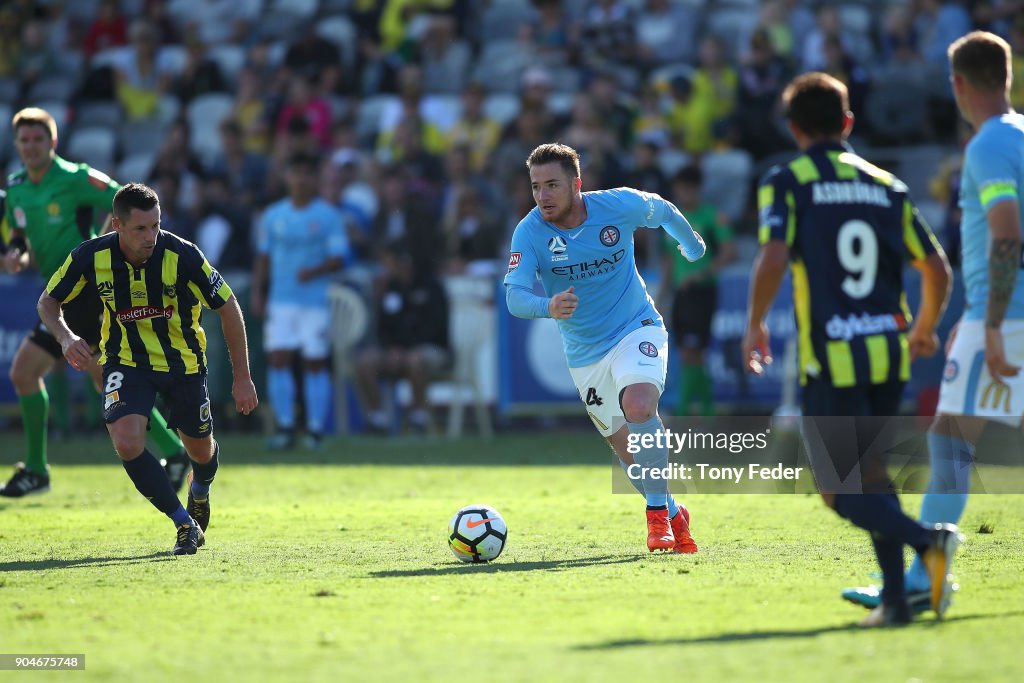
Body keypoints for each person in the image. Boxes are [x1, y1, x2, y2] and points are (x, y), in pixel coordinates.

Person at [741, 72, 961, 626]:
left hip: (832, 358)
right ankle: (894, 603)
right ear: (848, 123)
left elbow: (772, 257)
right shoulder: (887, 185)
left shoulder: (787, 180)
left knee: (838, 491)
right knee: (873, 477)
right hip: (888, 353)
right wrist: (926, 327)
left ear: (793, 130)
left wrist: (755, 324)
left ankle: (928, 541)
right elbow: (935, 266)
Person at [849, 30, 1024, 614]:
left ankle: (926, 574)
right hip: (997, 313)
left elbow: (1005, 235)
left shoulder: (987, 146)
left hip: (1007, 316)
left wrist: (992, 323)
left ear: (957, 84)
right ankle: (928, 569)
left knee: (949, 440)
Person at [504, 142, 703, 554]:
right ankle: (671, 511)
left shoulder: (617, 206)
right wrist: (547, 305)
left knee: (640, 405)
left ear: (577, 184)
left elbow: (663, 211)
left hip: (636, 327)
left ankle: (655, 522)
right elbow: (514, 297)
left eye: (553, 185)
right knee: (629, 454)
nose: (543, 196)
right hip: (585, 354)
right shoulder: (529, 232)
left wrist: (691, 244)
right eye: (536, 187)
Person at [38, 183, 258, 555]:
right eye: (140, 228)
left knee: (201, 453)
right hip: (126, 360)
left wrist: (242, 377)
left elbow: (228, 306)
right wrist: (64, 338)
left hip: (183, 363)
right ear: (117, 225)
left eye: (155, 225)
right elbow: (48, 301)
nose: (151, 236)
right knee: (126, 441)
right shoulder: (91, 256)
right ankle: (184, 524)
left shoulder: (182, 254)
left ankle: (199, 491)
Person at [0, 108, 189, 499]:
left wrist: (98, 251)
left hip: (87, 292)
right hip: (59, 293)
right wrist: (16, 253)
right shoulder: (17, 184)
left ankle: (172, 453)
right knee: (43, 374)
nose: (31, 146)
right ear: (17, 145)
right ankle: (174, 453)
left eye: (38, 139)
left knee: (98, 378)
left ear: (53, 142)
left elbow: (124, 202)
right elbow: (18, 230)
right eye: (24, 140)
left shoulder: (76, 177)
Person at [251, 154, 350, 450]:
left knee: (315, 363)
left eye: (306, 174)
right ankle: (285, 426)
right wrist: (259, 291)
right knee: (278, 359)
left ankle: (316, 429)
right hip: (281, 300)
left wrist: (316, 271)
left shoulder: (328, 216)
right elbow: (264, 257)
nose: (300, 180)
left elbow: (338, 258)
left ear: (315, 179)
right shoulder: (273, 215)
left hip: (314, 301)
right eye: (295, 173)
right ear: (287, 178)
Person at [657, 165, 737, 416]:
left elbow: (730, 252)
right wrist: (662, 293)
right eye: (680, 189)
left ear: (698, 190)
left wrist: (701, 274)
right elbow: (669, 260)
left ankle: (685, 411)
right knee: (688, 352)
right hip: (681, 293)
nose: (684, 194)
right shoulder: (671, 220)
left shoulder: (712, 217)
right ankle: (707, 411)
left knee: (693, 350)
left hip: (702, 291)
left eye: (689, 189)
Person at [356, 246, 451, 435]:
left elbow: (435, 327)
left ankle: (418, 417)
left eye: (389, 263)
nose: (385, 268)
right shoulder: (389, 288)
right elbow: (383, 327)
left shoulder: (431, 287)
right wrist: (391, 348)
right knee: (365, 361)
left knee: (415, 359)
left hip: (431, 349)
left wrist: (406, 349)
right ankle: (377, 418)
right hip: (396, 351)